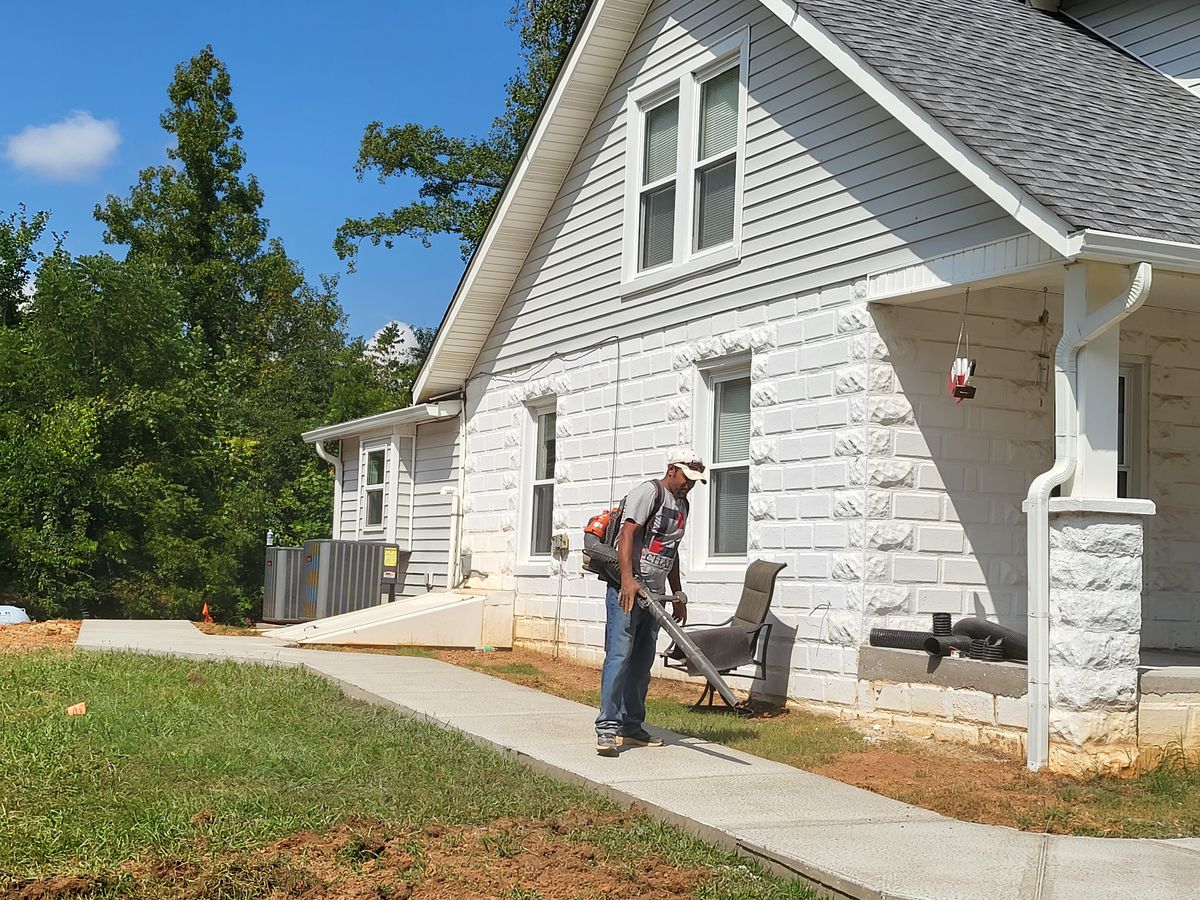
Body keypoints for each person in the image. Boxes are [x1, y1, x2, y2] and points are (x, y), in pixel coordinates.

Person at [594, 448, 706, 757]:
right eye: (686, 478)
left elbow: (671, 549)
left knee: (642, 663)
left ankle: (631, 727)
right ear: (672, 469)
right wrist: (627, 581)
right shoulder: (649, 492)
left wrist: (677, 593)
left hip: (655, 596)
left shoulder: (682, 505)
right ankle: (607, 728)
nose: (689, 485)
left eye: (694, 481)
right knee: (619, 656)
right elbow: (627, 535)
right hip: (628, 591)